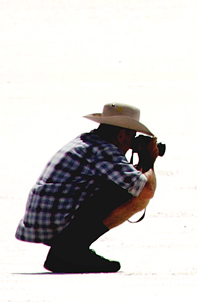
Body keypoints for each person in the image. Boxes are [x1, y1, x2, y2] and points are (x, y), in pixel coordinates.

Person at [15, 102, 160, 273]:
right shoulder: (103, 150)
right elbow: (146, 190)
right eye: (131, 138)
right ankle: (70, 251)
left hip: (41, 222)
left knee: (121, 185)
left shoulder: (88, 141)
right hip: (54, 225)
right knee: (132, 195)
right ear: (122, 135)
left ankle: (71, 248)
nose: (131, 144)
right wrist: (148, 160)